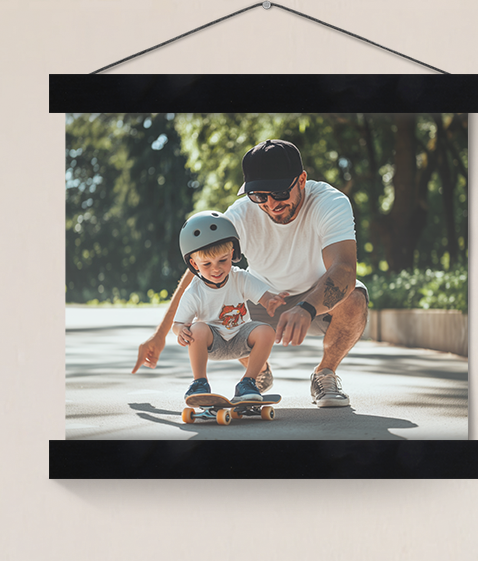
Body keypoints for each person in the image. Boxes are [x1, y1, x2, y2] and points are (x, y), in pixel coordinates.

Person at [132, 138, 365, 408]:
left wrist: (306, 307)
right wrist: (160, 334)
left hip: (316, 300)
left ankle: (325, 373)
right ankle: (257, 374)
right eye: (259, 196)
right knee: (215, 301)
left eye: (279, 192)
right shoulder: (241, 214)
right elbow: (199, 272)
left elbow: (344, 269)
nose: (270, 204)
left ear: (301, 180)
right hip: (261, 299)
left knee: (355, 299)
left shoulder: (329, 202)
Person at [169, 211, 280, 408]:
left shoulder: (240, 278)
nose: (216, 269)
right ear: (194, 264)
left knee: (266, 331)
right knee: (198, 328)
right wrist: (181, 332)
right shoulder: (194, 291)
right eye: (206, 264)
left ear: (232, 254)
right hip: (213, 342)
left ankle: (248, 383)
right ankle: (199, 383)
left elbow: (264, 296)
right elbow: (177, 324)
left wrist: (271, 301)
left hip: (241, 338)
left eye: (223, 260)